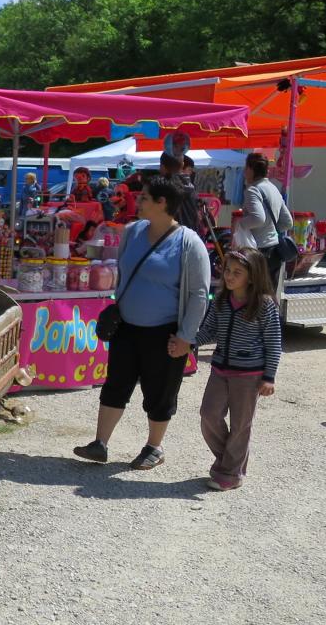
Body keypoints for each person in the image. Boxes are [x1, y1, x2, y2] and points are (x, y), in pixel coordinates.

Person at [73, 175, 210, 470]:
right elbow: (123, 274)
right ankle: (100, 444)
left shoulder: (189, 243)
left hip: (165, 333)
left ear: (162, 203)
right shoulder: (132, 232)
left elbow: (199, 294)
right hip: (127, 326)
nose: (139, 201)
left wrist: (186, 337)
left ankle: (154, 447)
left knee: (160, 391)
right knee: (115, 384)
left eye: (145, 197)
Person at [188, 248, 282, 491]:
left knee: (241, 424)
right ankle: (227, 461)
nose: (229, 276)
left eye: (237, 272)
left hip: (249, 376)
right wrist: (189, 343)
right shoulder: (221, 301)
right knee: (209, 414)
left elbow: (273, 342)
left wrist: (269, 377)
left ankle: (231, 473)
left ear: (252, 276)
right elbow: (209, 331)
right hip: (220, 370)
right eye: (227, 270)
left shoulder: (264, 304)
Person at [239, 153, 293, 290]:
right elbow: (288, 222)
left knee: (254, 297)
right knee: (269, 296)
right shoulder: (273, 188)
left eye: (246, 168)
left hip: (259, 251)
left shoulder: (253, 190)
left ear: (251, 169)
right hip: (275, 251)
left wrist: (240, 223)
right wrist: (271, 230)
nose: (244, 172)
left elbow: (258, 218)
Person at [159, 147, 200, 232]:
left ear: (162, 167)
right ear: (182, 165)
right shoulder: (191, 188)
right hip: (190, 237)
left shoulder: (162, 188)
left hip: (169, 237)